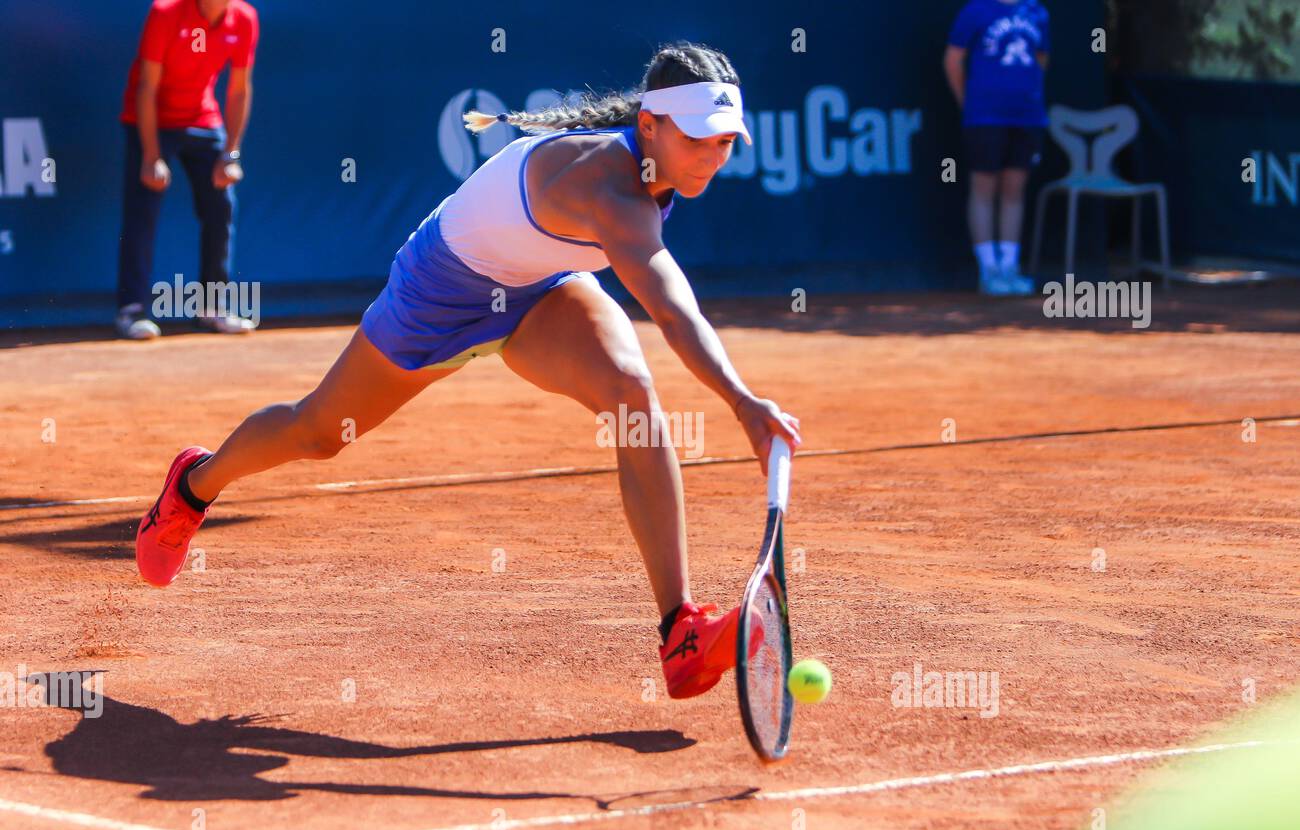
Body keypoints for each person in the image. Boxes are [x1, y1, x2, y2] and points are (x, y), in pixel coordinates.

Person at [134, 42, 803, 701]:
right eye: (699, 139)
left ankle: (679, 633)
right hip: (439, 293)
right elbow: (673, 309)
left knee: (631, 392)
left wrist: (740, 399)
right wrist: (742, 402)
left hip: (539, 293)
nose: (713, 156)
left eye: (724, 141)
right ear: (650, 125)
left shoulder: (657, 170)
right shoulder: (611, 188)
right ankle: (193, 486)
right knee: (318, 433)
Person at [116, 0, 259, 339]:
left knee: (221, 205)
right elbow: (147, 87)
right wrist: (151, 156)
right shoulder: (165, 13)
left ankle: (212, 307)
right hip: (151, 121)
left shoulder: (244, 19)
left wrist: (231, 153)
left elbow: (239, 89)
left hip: (203, 120)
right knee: (143, 211)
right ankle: (131, 309)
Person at [944, 0, 1050, 295]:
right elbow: (953, 61)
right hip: (984, 117)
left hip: (1028, 117)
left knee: (1014, 189)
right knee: (983, 188)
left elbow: (1041, 59)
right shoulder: (974, 11)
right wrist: (969, 105)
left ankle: (1010, 267)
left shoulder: (1037, 12)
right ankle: (989, 269)